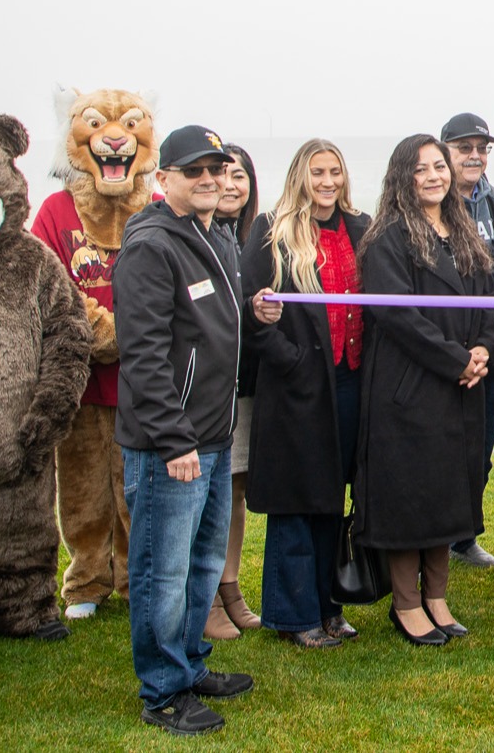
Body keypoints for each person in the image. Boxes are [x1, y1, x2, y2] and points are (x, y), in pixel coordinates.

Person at [115, 124, 278, 735]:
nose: (210, 179)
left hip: (212, 433)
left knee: (202, 563)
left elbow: (213, 326)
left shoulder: (214, 236)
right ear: (164, 180)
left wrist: (253, 312)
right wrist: (172, 438)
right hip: (172, 444)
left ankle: (189, 664)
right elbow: (145, 352)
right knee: (163, 569)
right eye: (195, 171)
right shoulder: (152, 245)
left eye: (217, 168)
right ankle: (162, 691)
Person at [356, 135, 494, 647]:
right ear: (403, 175)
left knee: (450, 494)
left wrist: (486, 351)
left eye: (438, 166)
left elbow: (492, 302)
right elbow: (397, 315)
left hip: (462, 388)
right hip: (410, 389)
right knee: (411, 499)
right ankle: (406, 604)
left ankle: (438, 597)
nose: (434, 176)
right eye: (421, 169)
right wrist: (455, 360)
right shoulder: (388, 237)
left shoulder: (464, 231)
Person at [241, 140, 368, 649]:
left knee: (332, 498)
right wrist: (290, 358)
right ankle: (294, 615)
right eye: (318, 172)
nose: (328, 182)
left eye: (335, 171)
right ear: (301, 175)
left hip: (349, 382)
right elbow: (252, 312)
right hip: (297, 388)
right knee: (297, 499)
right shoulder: (272, 230)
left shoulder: (360, 228)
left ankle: (328, 604)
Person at [443, 112, 494, 571]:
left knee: (482, 447)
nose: (474, 155)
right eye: (464, 147)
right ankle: (439, 531)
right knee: (443, 446)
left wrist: (492, 345)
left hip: (491, 347)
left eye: (481, 148)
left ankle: (465, 534)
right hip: (446, 348)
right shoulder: (431, 203)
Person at [207, 144, 263, 640]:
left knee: (235, 490)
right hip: (205, 389)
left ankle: (230, 587)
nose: (230, 184)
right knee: (205, 492)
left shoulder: (258, 236)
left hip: (246, 385)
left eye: (239, 175)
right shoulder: (198, 234)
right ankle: (203, 598)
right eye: (220, 174)